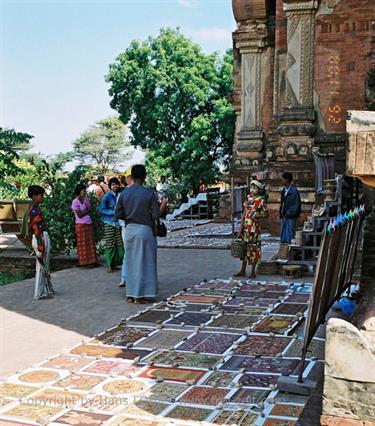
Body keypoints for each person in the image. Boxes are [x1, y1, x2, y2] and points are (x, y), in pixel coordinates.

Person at [115, 164, 167, 303]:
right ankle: (143, 294)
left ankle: (131, 294)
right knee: (146, 262)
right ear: (144, 177)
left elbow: (118, 214)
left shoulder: (124, 193)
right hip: (145, 230)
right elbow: (155, 215)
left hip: (130, 230)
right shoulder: (149, 193)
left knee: (131, 262)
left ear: (131, 176)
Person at [21, 185, 54, 299]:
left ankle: (45, 290)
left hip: (39, 237)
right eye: (41, 195)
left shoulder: (32, 209)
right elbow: (36, 229)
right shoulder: (34, 211)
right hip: (40, 238)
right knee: (41, 266)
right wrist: (40, 245)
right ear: (34, 196)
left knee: (43, 265)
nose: (42, 197)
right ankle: (38, 293)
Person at [235, 180, 268, 278]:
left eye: (255, 188)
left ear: (259, 190)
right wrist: (240, 226)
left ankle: (253, 271)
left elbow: (265, 213)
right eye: (251, 188)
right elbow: (244, 213)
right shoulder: (248, 198)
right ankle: (242, 270)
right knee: (244, 248)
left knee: (254, 248)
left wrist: (257, 215)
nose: (252, 190)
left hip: (254, 228)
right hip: (246, 227)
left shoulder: (261, 200)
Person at [99, 177, 124, 273]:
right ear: (109, 186)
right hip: (109, 222)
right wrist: (113, 212)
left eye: (116, 184)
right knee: (110, 243)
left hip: (117, 223)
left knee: (119, 242)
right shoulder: (107, 196)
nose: (115, 186)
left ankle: (116, 263)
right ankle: (109, 264)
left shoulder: (118, 195)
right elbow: (101, 210)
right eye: (113, 184)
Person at [71, 184, 98, 267]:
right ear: (79, 191)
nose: (85, 192)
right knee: (83, 244)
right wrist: (87, 209)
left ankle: (92, 261)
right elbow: (79, 214)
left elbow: (91, 208)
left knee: (90, 243)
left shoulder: (86, 199)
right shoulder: (75, 202)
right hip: (81, 224)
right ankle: (84, 262)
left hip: (88, 223)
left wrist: (88, 207)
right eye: (83, 191)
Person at [280, 172, 301, 244]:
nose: (282, 181)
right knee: (284, 233)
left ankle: (290, 250)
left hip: (290, 215)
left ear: (287, 180)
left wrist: (290, 213)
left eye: (283, 179)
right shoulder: (284, 190)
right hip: (284, 214)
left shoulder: (294, 191)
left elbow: (296, 204)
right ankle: (284, 249)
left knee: (290, 233)